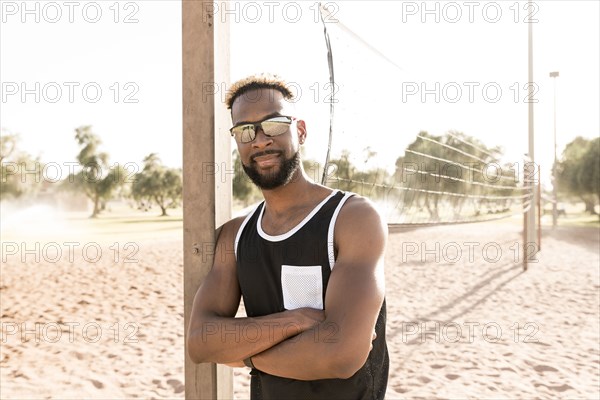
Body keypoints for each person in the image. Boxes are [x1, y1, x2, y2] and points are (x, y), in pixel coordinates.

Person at [187, 74, 389, 399]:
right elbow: (199, 342)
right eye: (245, 131)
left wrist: (245, 354)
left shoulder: (352, 218)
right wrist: (294, 321)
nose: (261, 140)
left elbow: (341, 356)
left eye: (275, 125)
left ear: (301, 131)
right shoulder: (234, 236)